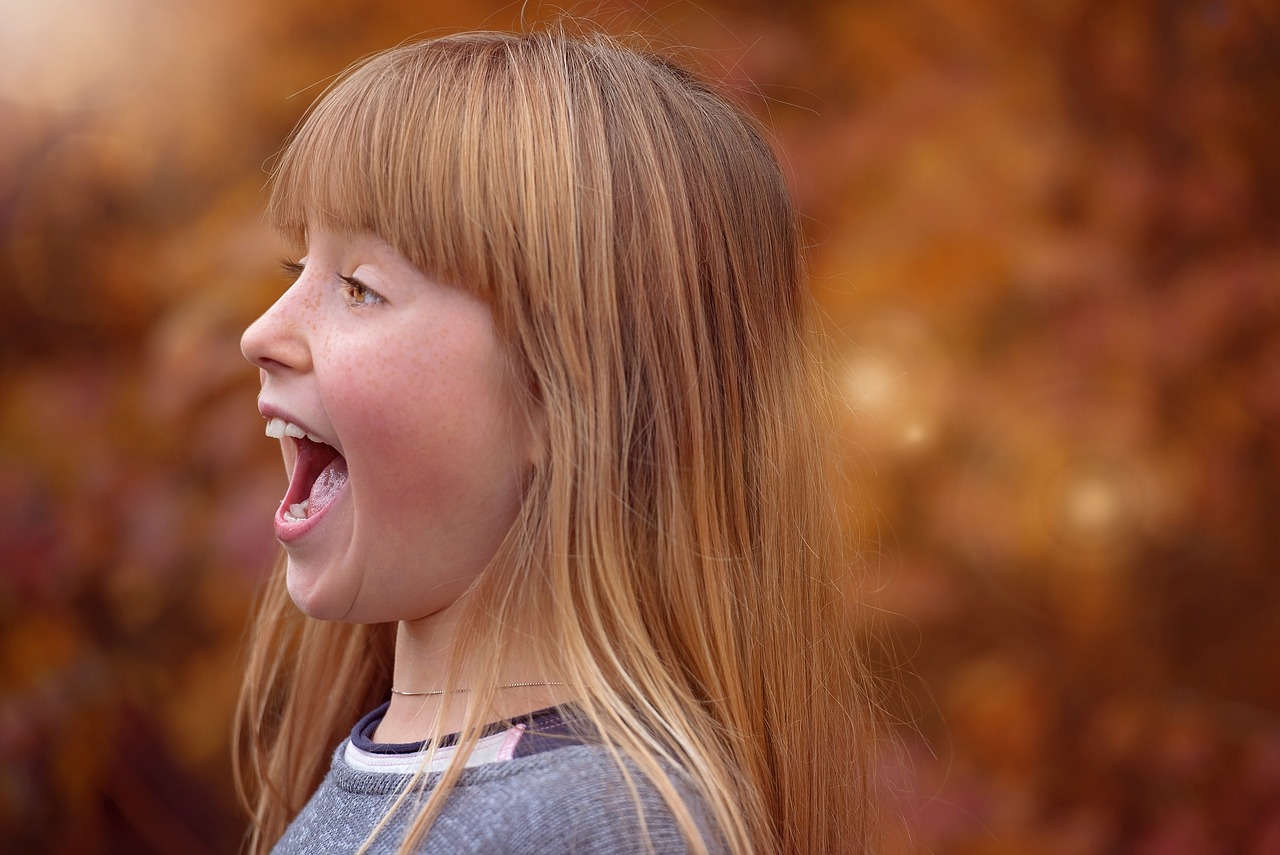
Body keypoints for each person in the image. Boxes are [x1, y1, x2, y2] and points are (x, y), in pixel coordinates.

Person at [235, 27, 881, 855]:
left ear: (559, 397)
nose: (261, 332)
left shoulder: (601, 824)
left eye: (360, 288)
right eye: (297, 273)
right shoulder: (385, 775)